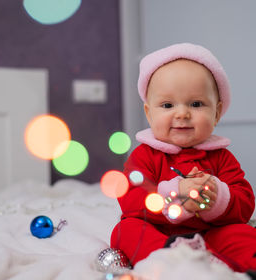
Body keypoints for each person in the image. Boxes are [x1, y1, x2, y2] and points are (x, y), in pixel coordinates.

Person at [110, 43, 256, 273]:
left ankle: (241, 265)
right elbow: (130, 198)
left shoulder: (222, 158)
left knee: (244, 233)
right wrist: (174, 195)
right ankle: (168, 258)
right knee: (125, 230)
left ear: (216, 113)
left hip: (211, 233)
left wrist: (216, 197)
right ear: (149, 114)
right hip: (159, 233)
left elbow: (245, 203)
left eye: (196, 104)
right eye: (167, 105)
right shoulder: (145, 154)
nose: (182, 114)